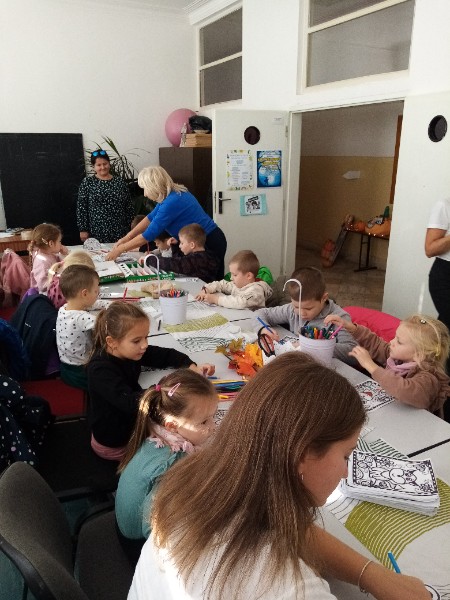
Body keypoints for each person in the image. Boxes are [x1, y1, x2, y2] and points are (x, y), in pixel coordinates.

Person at [128, 352, 429, 600]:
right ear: (301, 454)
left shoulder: (200, 482)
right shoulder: (290, 589)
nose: (346, 470)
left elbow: (285, 524)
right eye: (346, 455)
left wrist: (370, 574)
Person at [87, 302, 215, 461]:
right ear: (112, 342)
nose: (144, 345)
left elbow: (164, 355)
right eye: (137, 341)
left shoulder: (128, 351)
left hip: (128, 424)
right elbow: (130, 402)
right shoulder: (99, 370)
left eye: (146, 337)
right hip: (114, 442)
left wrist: (192, 366)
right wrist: (164, 389)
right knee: (178, 443)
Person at [115, 369, 218, 565]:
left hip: (131, 526)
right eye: (204, 421)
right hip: (140, 548)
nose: (213, 426)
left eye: (214, 415)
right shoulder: (172, 465)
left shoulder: (159, 433)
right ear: (172, 425)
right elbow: (156, 534)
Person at [105, 166, 227, 279]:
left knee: (210, 281)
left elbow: (148, 235)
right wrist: (125, 238)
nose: (145, 194)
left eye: (145, 189)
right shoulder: (170, 196)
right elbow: (149, 218)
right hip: (204, 239)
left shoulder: (171, 201)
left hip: (209, 241)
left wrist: (120, 249)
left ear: (153, 186)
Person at [324, 312, 450, 416]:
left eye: (399, 342)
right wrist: (352, 328)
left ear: (420, 354)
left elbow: (404, 390)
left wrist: (371, 367)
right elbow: (376, 344)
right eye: (395, 337)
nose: (392, 342)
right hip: (392, 414)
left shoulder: (429, 378)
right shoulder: (399, 358)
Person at [255, 266, 357, 363]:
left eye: (308, 308)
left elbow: (353, 353)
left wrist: (312, 346)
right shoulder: (291, 310)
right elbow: (259, 314)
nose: (301, 313)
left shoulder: (339, 318)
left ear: (324, 298)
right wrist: (263, 329)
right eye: (296, 307)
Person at [56, 265, 109, 390]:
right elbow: (110, 327)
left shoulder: (64, 308)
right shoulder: (82, 318)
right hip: (81, 371)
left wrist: (110, 304)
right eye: (96, 291)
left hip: (65, 366)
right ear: (84, 293)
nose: (98, 293)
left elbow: (92, 304)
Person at [77, 149, 135, 244]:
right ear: (93, 167)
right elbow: (82, 207)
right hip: (96, 231)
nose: (103, 167)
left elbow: (128, 206)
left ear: (109, 163)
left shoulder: (119, 182)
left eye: (105, 164)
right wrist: (83, 229)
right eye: (99, 165)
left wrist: (132, 228)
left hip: (120, 230)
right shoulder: (87, 183)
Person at [195, 250, 272, 309]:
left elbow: (240, 302)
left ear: (248, 276)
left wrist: (216, 299)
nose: (231, 278)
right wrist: (206, 289)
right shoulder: (239, 284)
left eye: (235, 275)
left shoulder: (256, 291)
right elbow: (222, 284)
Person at [425, 198, 450, 374]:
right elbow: (430, 249)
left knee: (445, 329)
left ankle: (432, 374)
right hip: (445, 276)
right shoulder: (445, 205)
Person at [149, 223, 218, 283]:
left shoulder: (199, 259)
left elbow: (175, 264)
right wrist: (175, 245)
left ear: (192, 245)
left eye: (182, 243)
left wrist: (150, 259)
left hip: (201, 291)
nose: (180, 246)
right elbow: (179, 259)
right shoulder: (204, 255)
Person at [29, 223, 69, 293]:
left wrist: (64, 254)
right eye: (59, 241)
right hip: (45, 295)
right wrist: (60, 279)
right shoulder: (42, 262)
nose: (61, 244)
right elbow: (43, 286)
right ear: (51, 243)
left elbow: (62, 264)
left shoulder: (49, 253)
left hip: (54, 288)